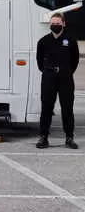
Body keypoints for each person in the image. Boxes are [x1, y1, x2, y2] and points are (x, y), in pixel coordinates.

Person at [36, 13, 79, 149]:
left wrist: (66, 71)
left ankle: (69, 137)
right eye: (53, 23)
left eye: (58, 23)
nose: (55, 26)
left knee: (67, 108)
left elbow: (75, 60)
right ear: (50, 24)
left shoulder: (70, 41)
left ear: (63, 24)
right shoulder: (43, 41)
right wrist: (49, 72)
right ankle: (43, 137)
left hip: (65, 78)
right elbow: (39, 62)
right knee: (46, 108)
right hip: (49, 77)